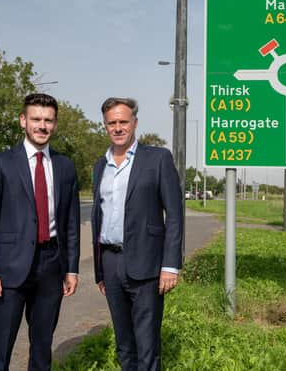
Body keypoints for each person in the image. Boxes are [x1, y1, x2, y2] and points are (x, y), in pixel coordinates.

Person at [0, 93, 80, 371]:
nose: (42, 126)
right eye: (36, 119)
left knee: (42, 346)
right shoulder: (2, 163)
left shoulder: (65, 167)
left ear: (55, 124)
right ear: (23, 121)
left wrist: (71, 269)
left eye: (48, 120)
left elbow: (71, 222)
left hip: (51, 266)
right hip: (10, 268)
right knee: (0, 346)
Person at [91, 97, 183, 371]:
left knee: (147, 342)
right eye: (112, 123)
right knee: (123, 342)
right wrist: (99, 271)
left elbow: (175, 216)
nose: (118, 128)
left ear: (135, 123)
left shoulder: (158, 159)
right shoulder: (100, 165)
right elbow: (98, 217)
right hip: (110, 263)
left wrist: (170, 265)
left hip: (147, 264)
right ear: (105, 126)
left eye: (123, 121)